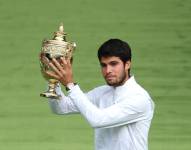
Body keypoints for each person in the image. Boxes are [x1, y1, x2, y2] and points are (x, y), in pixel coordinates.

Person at [41, 39, 155, 150]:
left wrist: (70, 85)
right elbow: (61, 108)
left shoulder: (139, 98)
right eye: (103, 65)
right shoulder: (102, 92)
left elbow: (98, 120)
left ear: (127, 64)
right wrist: (53, 78)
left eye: (113, 64)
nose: (108, 70)